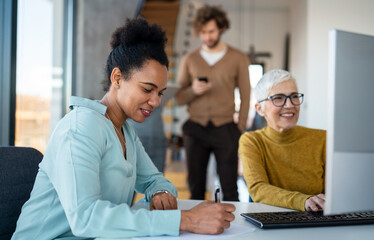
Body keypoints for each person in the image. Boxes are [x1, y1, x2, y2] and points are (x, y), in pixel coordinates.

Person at [12, 18, 236, 240]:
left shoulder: (125, 131)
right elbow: (86, 218)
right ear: (117, 77)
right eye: (147, 89)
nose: (156, 101)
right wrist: (186, 220)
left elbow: (153, 180)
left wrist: (161, 192)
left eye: (159, 92)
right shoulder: (81, 128)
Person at [175, 5, 250, 201]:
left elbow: (246, 93)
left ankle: (236, 229)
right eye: (203, 32)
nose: (207, 36)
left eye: (211, 31)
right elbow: (179, 97)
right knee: (196, 189)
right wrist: (194, 90)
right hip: (196, 129)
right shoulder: (189, 59)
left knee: (230, 188)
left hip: (225, 129)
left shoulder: (238, 58)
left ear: (221, 29)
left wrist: (239, 127)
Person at [238, 69, 326, 211]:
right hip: (270, 223)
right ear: (260, 109)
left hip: (316, 221)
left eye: (294, 96)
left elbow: (333, 193)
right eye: (278, 98)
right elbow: (258, 189)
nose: (289, 105)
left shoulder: (322, 139)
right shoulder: (252, 141)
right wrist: (304, 201)